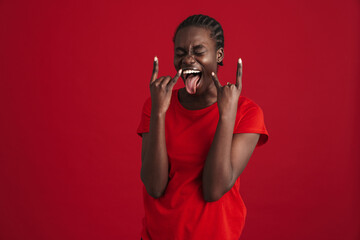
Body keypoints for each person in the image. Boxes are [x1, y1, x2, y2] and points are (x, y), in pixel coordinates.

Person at [137, 14, 268, 240]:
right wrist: (159, 112)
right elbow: (154, 187)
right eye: (180, 53)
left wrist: (226, 115)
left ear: (219, 55)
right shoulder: (157, 104)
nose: (188, 59)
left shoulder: (247, 112)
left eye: (198, 51)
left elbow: (213, 190)